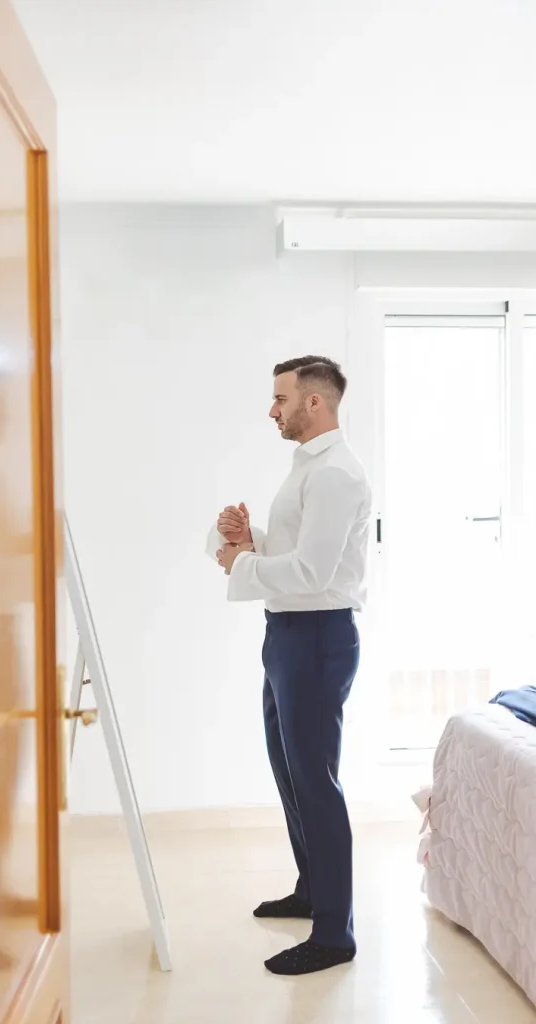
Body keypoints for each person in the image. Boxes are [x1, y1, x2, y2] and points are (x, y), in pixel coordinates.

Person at [207, 355, 371, 976]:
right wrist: (248, 542)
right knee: (290, 772)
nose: (271, 409)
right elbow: (297, 554)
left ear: (314, 403)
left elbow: (313, 573)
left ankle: (335, 934)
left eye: (280, 398)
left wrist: (243, 565)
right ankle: (313, 891)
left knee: (315, 784)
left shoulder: (336, 476)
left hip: (317, 638)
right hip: (290, 634)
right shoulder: (308, 471)